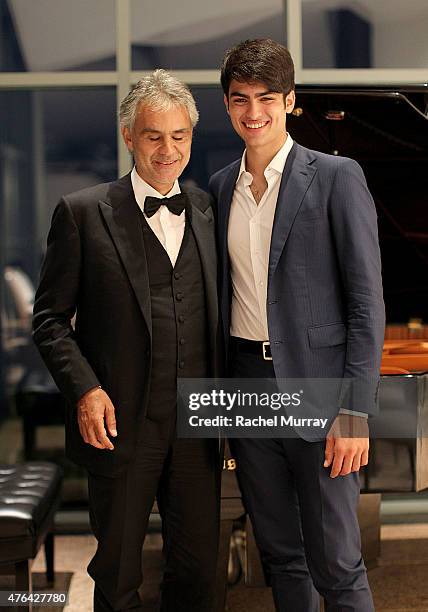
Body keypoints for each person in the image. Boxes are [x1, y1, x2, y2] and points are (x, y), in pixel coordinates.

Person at [33, 69, 221, 612]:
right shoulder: (82, 213)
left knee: (199, 573)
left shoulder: (208, 210)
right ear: (128, 137)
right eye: (154, 135)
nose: (168, 149)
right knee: (117, 575)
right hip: (120, 424)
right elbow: (48, 319)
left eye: (179, 135)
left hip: (200, 424)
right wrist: (86, 390)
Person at [209, 39, 385, 611]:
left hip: (321, 390)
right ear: (227, 105)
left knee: (337, 561)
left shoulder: (336, 176)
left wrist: (355, 410)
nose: (252, 112)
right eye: (240, 99)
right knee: (280, 555)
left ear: (291, 102)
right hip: (246, 388)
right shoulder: (216, 189)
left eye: (266, 98)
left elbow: (366, 304)